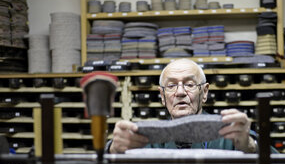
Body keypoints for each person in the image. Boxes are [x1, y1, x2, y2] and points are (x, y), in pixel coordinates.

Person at [107, 58, 258, 154]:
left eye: (189, 84)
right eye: (171, 85)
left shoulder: (231, 133)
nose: (180, 92)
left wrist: (250, 146)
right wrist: (114, 149)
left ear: (204, 92)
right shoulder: (148, 139)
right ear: (162, 96)